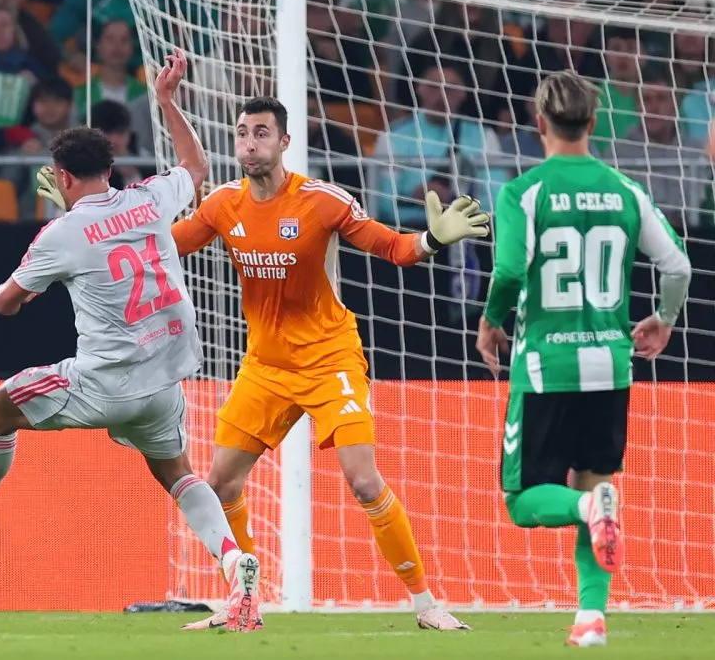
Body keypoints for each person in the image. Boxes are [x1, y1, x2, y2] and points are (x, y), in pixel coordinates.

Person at [0, 50, 266, 633]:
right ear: (111, 167)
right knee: (179, 475)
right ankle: (235, 565)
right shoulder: (149, 197)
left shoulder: (62, 231)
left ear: (60, 177)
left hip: (104, 382)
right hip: (165, 378)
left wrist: (39, 270)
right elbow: (197, 165)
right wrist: (165, 100)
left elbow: (2, 304)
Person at [170, 96, 488, 631]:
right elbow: (163, 248)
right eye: (243, 133)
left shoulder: (321, 201)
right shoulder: (223, 205)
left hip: (329, 358)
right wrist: (87, 220)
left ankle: (425, 602)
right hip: (266, 365)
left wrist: (433, 240)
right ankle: (245, 602)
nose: (250, 143)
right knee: (220, 484)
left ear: (285, 142)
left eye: (262, 133)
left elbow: (393, 248)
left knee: (362, 481)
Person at [476, 70, 692, 648]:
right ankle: (590, 620)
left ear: (539, 121)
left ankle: (586, 514)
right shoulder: (623, 189)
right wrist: (665, 320)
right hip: (610, 367)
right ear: (593, 124)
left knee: (526, 502)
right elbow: (678, 267)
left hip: (547, 365)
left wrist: (492, 319)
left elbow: (512, 270)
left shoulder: (524, 191)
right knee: (600, 498)